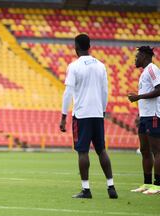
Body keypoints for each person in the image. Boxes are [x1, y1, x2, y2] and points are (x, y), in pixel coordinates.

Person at [59, 34, 118, 199]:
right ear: (89, 46)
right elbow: (105, 90)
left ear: (76, 47)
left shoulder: (74, 66)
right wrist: (103, 110)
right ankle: (111, 186)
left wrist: (64, 116)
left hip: (82, 114)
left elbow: (68, 92)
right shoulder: (101, 65)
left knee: (82, 152)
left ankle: (86, 189)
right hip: (97, 113)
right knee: (102, 150)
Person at [128, 46, 160, 195]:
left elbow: (159, 89)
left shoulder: (152, 69)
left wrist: (138, 97)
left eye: (137, 56)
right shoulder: (144, 72)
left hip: (154, 115)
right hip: (145, 116)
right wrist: (140, 113)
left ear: (145, 56)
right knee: (144, 150)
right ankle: (147, 184)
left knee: (157, 151)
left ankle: (158, 185)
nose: (135, 59)